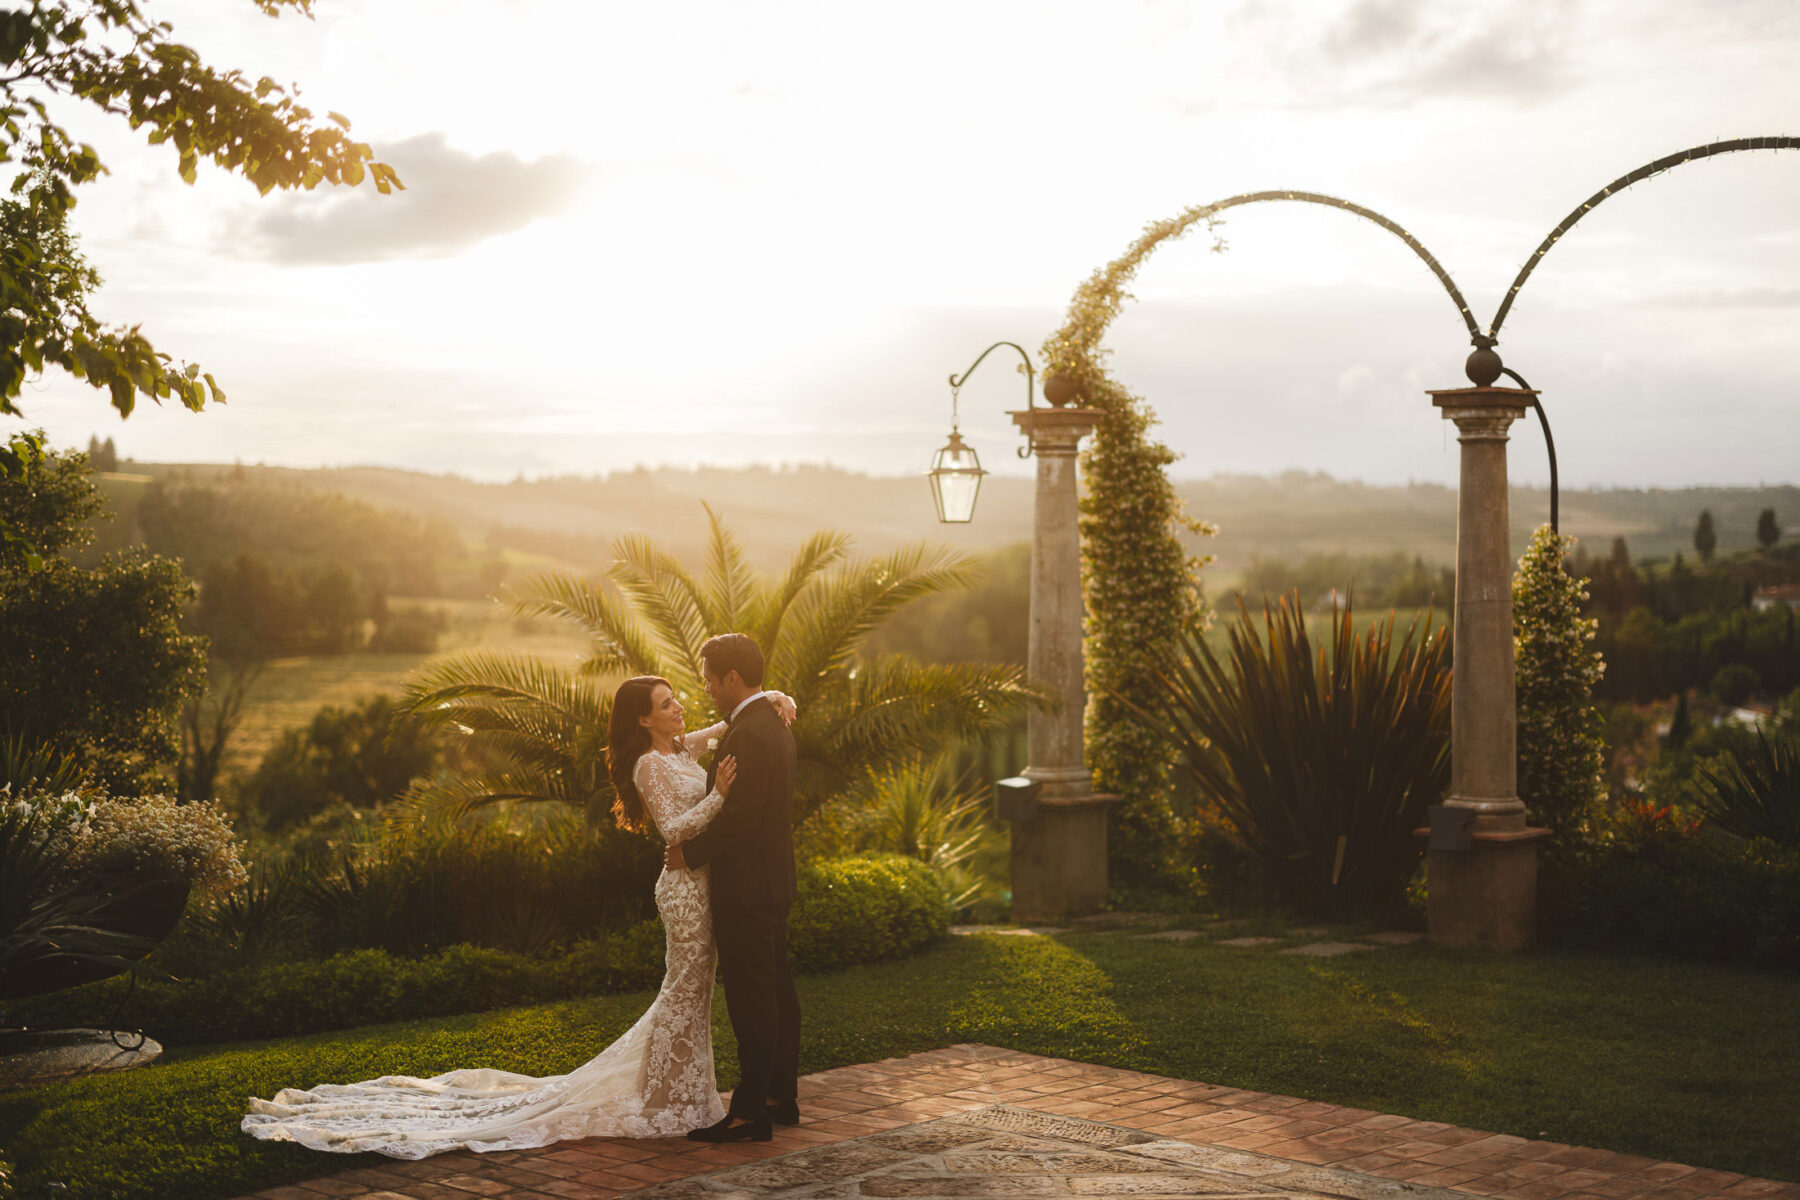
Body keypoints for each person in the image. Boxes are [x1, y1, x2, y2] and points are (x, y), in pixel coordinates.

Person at [239, 670, 796, 1159]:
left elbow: (732, 723)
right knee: (683, 990)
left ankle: (683, 1095)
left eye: (677, 699)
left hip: (702, 884)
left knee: (691, 993)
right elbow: (672, 832)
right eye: (667, 704)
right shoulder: (652, 764)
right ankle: (665, 1100)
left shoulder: (680, 750)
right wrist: (720, 796)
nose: (679, 709)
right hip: (682, 889)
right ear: (645, 721)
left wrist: (774, 694)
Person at [664, 632, 800, 1144]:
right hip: (774, 878)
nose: (707, 690)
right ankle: (778, 1097)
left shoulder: (749, 733)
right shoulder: (773, 721)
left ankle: (749, 1115)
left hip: (747, 886)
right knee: (778, 991)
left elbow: (740, 818)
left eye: (710, 681)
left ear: (732, 679)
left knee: (752, 999)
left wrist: (688, 853)